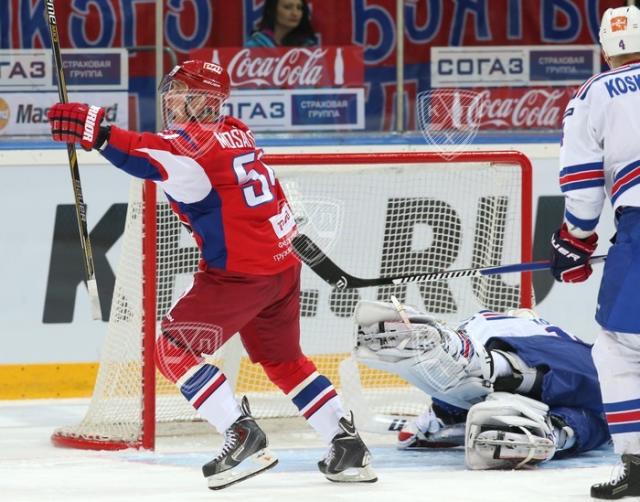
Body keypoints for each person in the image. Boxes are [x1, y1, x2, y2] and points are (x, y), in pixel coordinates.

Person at [46, 60, 375, 489]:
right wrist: (106, 137)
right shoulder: (236, 129)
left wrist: (102, 135)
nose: (169, 99)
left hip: (239, 274)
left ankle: (242, 435)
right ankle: (346, 444)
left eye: (180, 92)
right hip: (281, 267)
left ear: (203, 101)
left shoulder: (193, 145)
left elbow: (147, 155)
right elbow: (167, 152)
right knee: (283, 361)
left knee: (171, 350)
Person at [549, 5, 640, 499]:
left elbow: (584, 191)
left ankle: (637, 462)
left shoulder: (596, 92)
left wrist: (574, 241)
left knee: (620, 348)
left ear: (605, 51)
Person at [353, 300, 610, 470]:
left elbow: (406, 437)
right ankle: (551, 432)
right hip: (573, 365)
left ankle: (464, 355)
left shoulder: (491, 319)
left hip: (481, 342)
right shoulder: (556, 335)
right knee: (601, 416)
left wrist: (431, 425)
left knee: (483, 379)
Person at [246, 0, 318, 48]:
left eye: (299, 8)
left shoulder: (309, 48)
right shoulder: (255, 45)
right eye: (287, 7)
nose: (295, 13)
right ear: (272, 10)